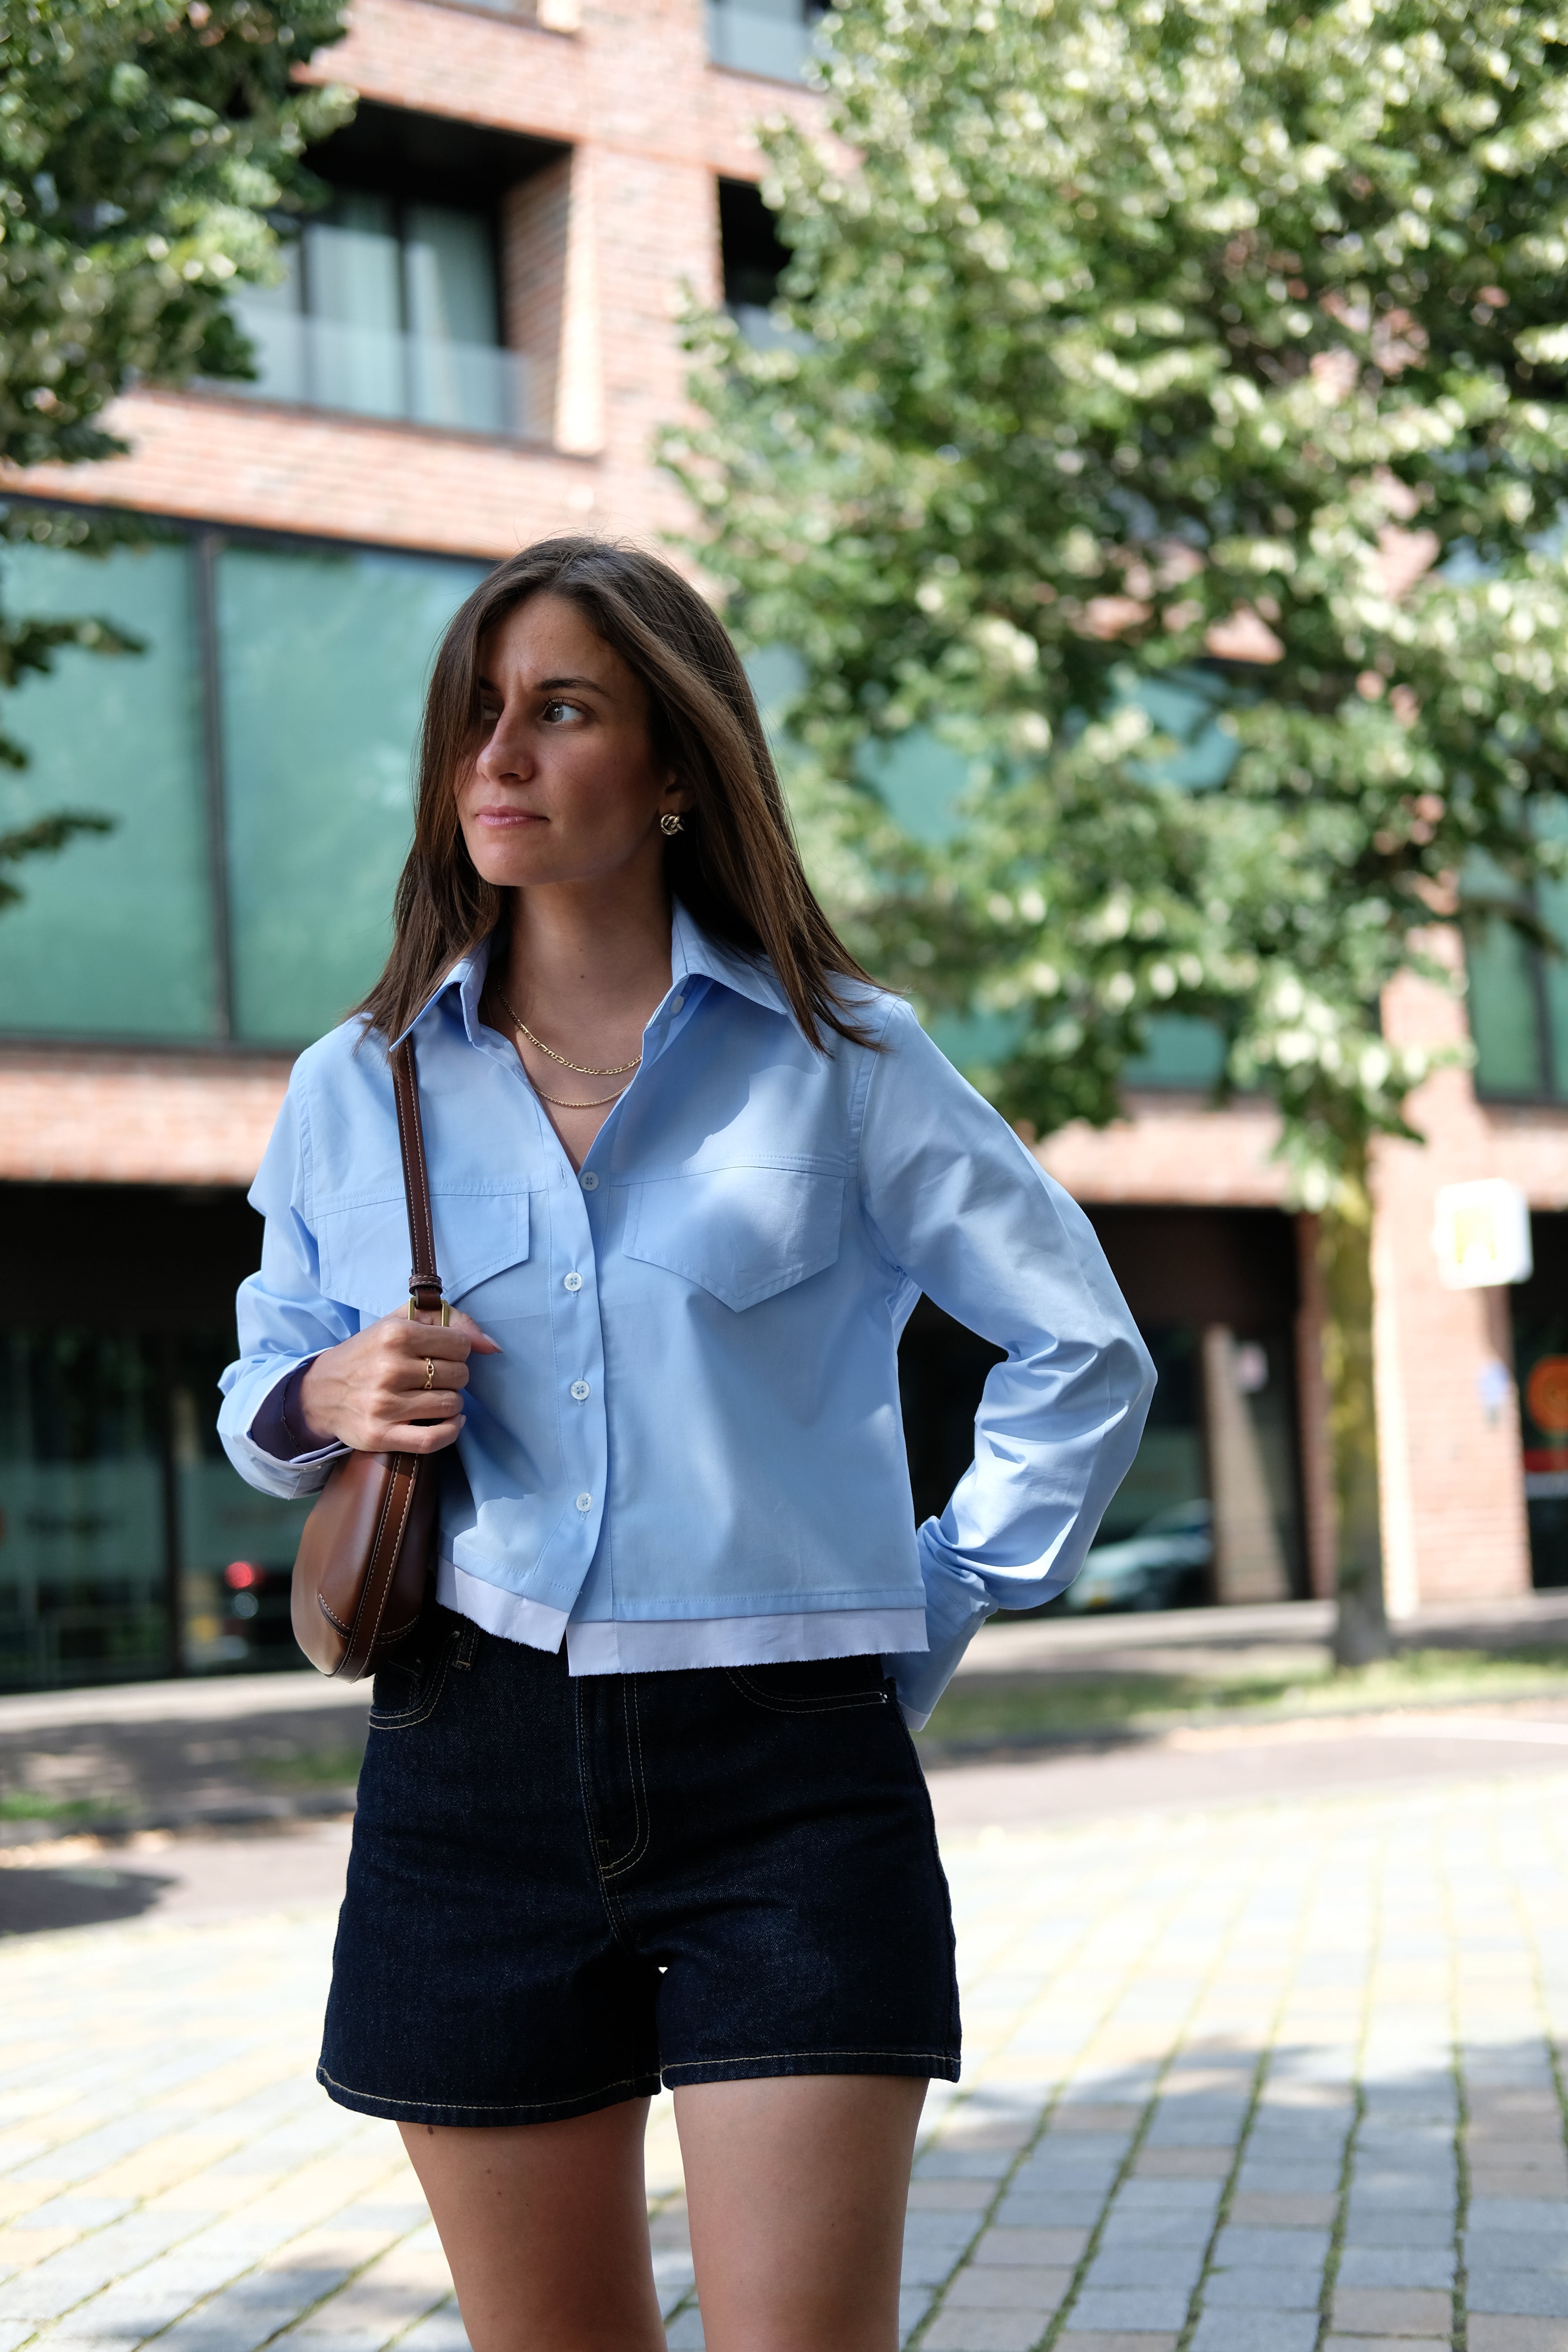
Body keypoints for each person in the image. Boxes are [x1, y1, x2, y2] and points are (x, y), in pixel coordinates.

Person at [219, 537, 1154, 2352]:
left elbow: (1081, 1342)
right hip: (466, 1761)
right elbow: (272, 1367)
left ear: (670, 769)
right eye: (475, 717)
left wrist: (941, 1597)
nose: (496, 756)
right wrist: (324, 1399)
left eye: (558, 711)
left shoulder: (844, 1057)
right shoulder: (366, 1080)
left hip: (791, 1782)